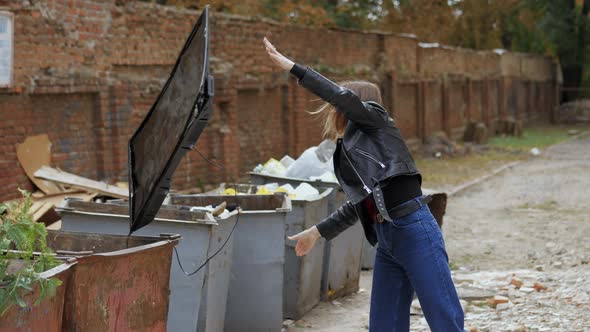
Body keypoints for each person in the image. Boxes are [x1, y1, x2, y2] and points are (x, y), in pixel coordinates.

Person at [263, 37, 465, 332]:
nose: (334, 110)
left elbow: (341, 98)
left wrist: (293, 68)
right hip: (388, 241)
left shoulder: (379, 122)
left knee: (443, 318)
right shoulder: (352, 149)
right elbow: (360, 204)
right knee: (384, 326)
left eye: (341, 103)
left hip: (415, 231)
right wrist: (317, 232)